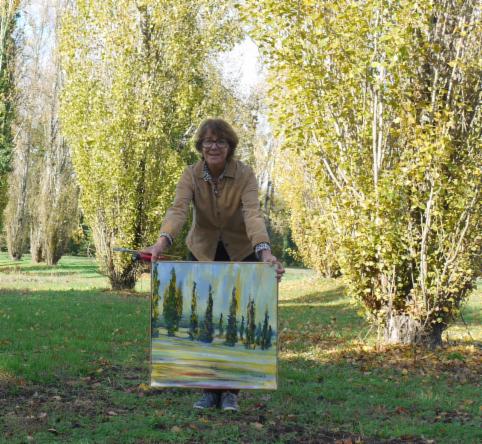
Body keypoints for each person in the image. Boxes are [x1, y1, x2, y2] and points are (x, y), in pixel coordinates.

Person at [143, 118, 284, 412]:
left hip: (241, 252)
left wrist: (265, 254)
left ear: (230, 146)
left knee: (237, 320)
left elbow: (253, 214)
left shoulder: (245, 174)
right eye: (208, 141)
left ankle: (231, 391)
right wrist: (160, 244)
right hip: (202, 251)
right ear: (201, 146)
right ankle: (209, 390)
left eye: (220, 141)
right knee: (204, 320)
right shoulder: (191, 175)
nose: (214, 147)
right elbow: (178, 210)